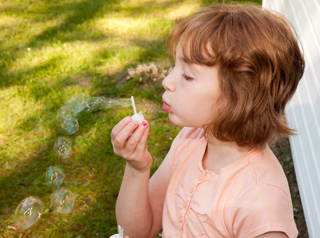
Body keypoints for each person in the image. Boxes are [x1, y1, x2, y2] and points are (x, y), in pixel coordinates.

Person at [112, 4, 303, 237]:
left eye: (187, 75)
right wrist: (137, 168)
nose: (167, 81)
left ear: (238, 98)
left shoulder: (260, 203)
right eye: (175, 66)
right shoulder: (190, 139)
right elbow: (136, 231)